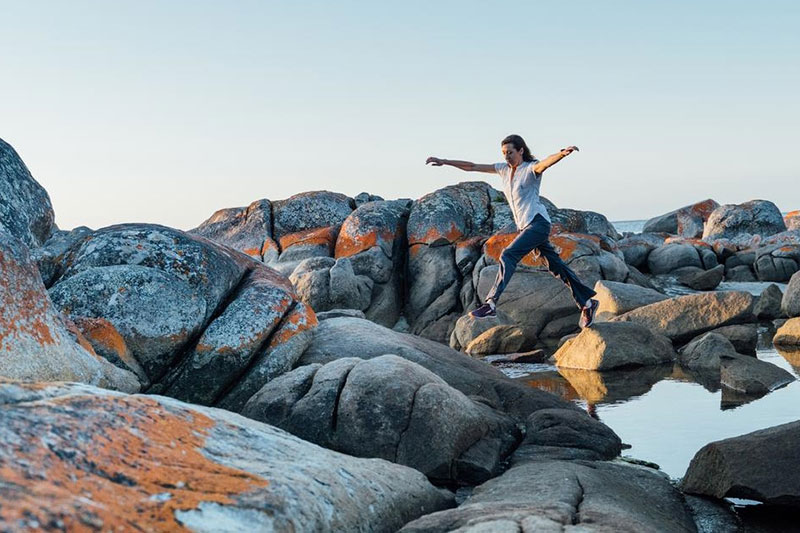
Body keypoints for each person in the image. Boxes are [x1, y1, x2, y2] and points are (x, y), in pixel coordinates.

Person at [426, 134, 599, 328]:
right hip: (526, 226)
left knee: (508, 255)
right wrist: (444, 162)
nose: (506, 156)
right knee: (556, 267)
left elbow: (545, 163)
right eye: (503, 153)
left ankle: (491, 303)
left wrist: (562, 154)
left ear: (520, 151)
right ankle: (587, 302)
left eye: (510, 152)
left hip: (538, 223)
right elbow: (472, 166)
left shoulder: (530, 169)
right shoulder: (503, 170)